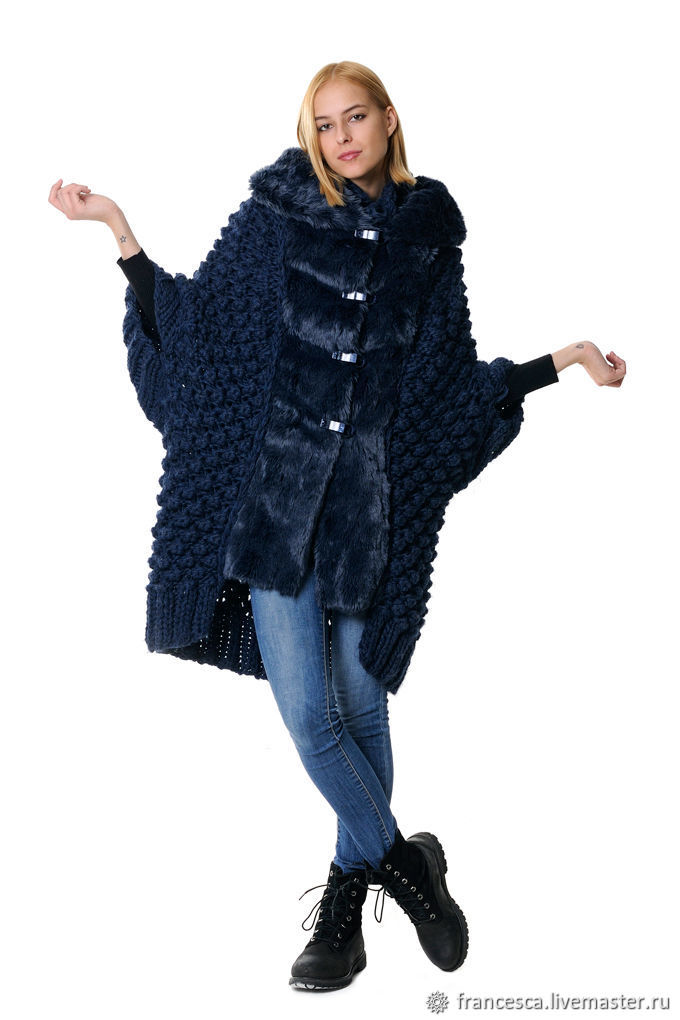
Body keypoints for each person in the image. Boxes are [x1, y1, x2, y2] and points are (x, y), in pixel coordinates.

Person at [48, 60, 626, 994]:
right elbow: (204, 331)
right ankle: (407, 865)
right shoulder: (278, 215)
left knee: (360, 713)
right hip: (274, 517)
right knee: (312, 720)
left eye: (355, 118)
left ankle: (345, 913)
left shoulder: (429, 242)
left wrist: (560, 362)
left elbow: (446, 387)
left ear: (389, 120)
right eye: (324, 124)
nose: (341, 137)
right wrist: (120, 232)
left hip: (367, 525)